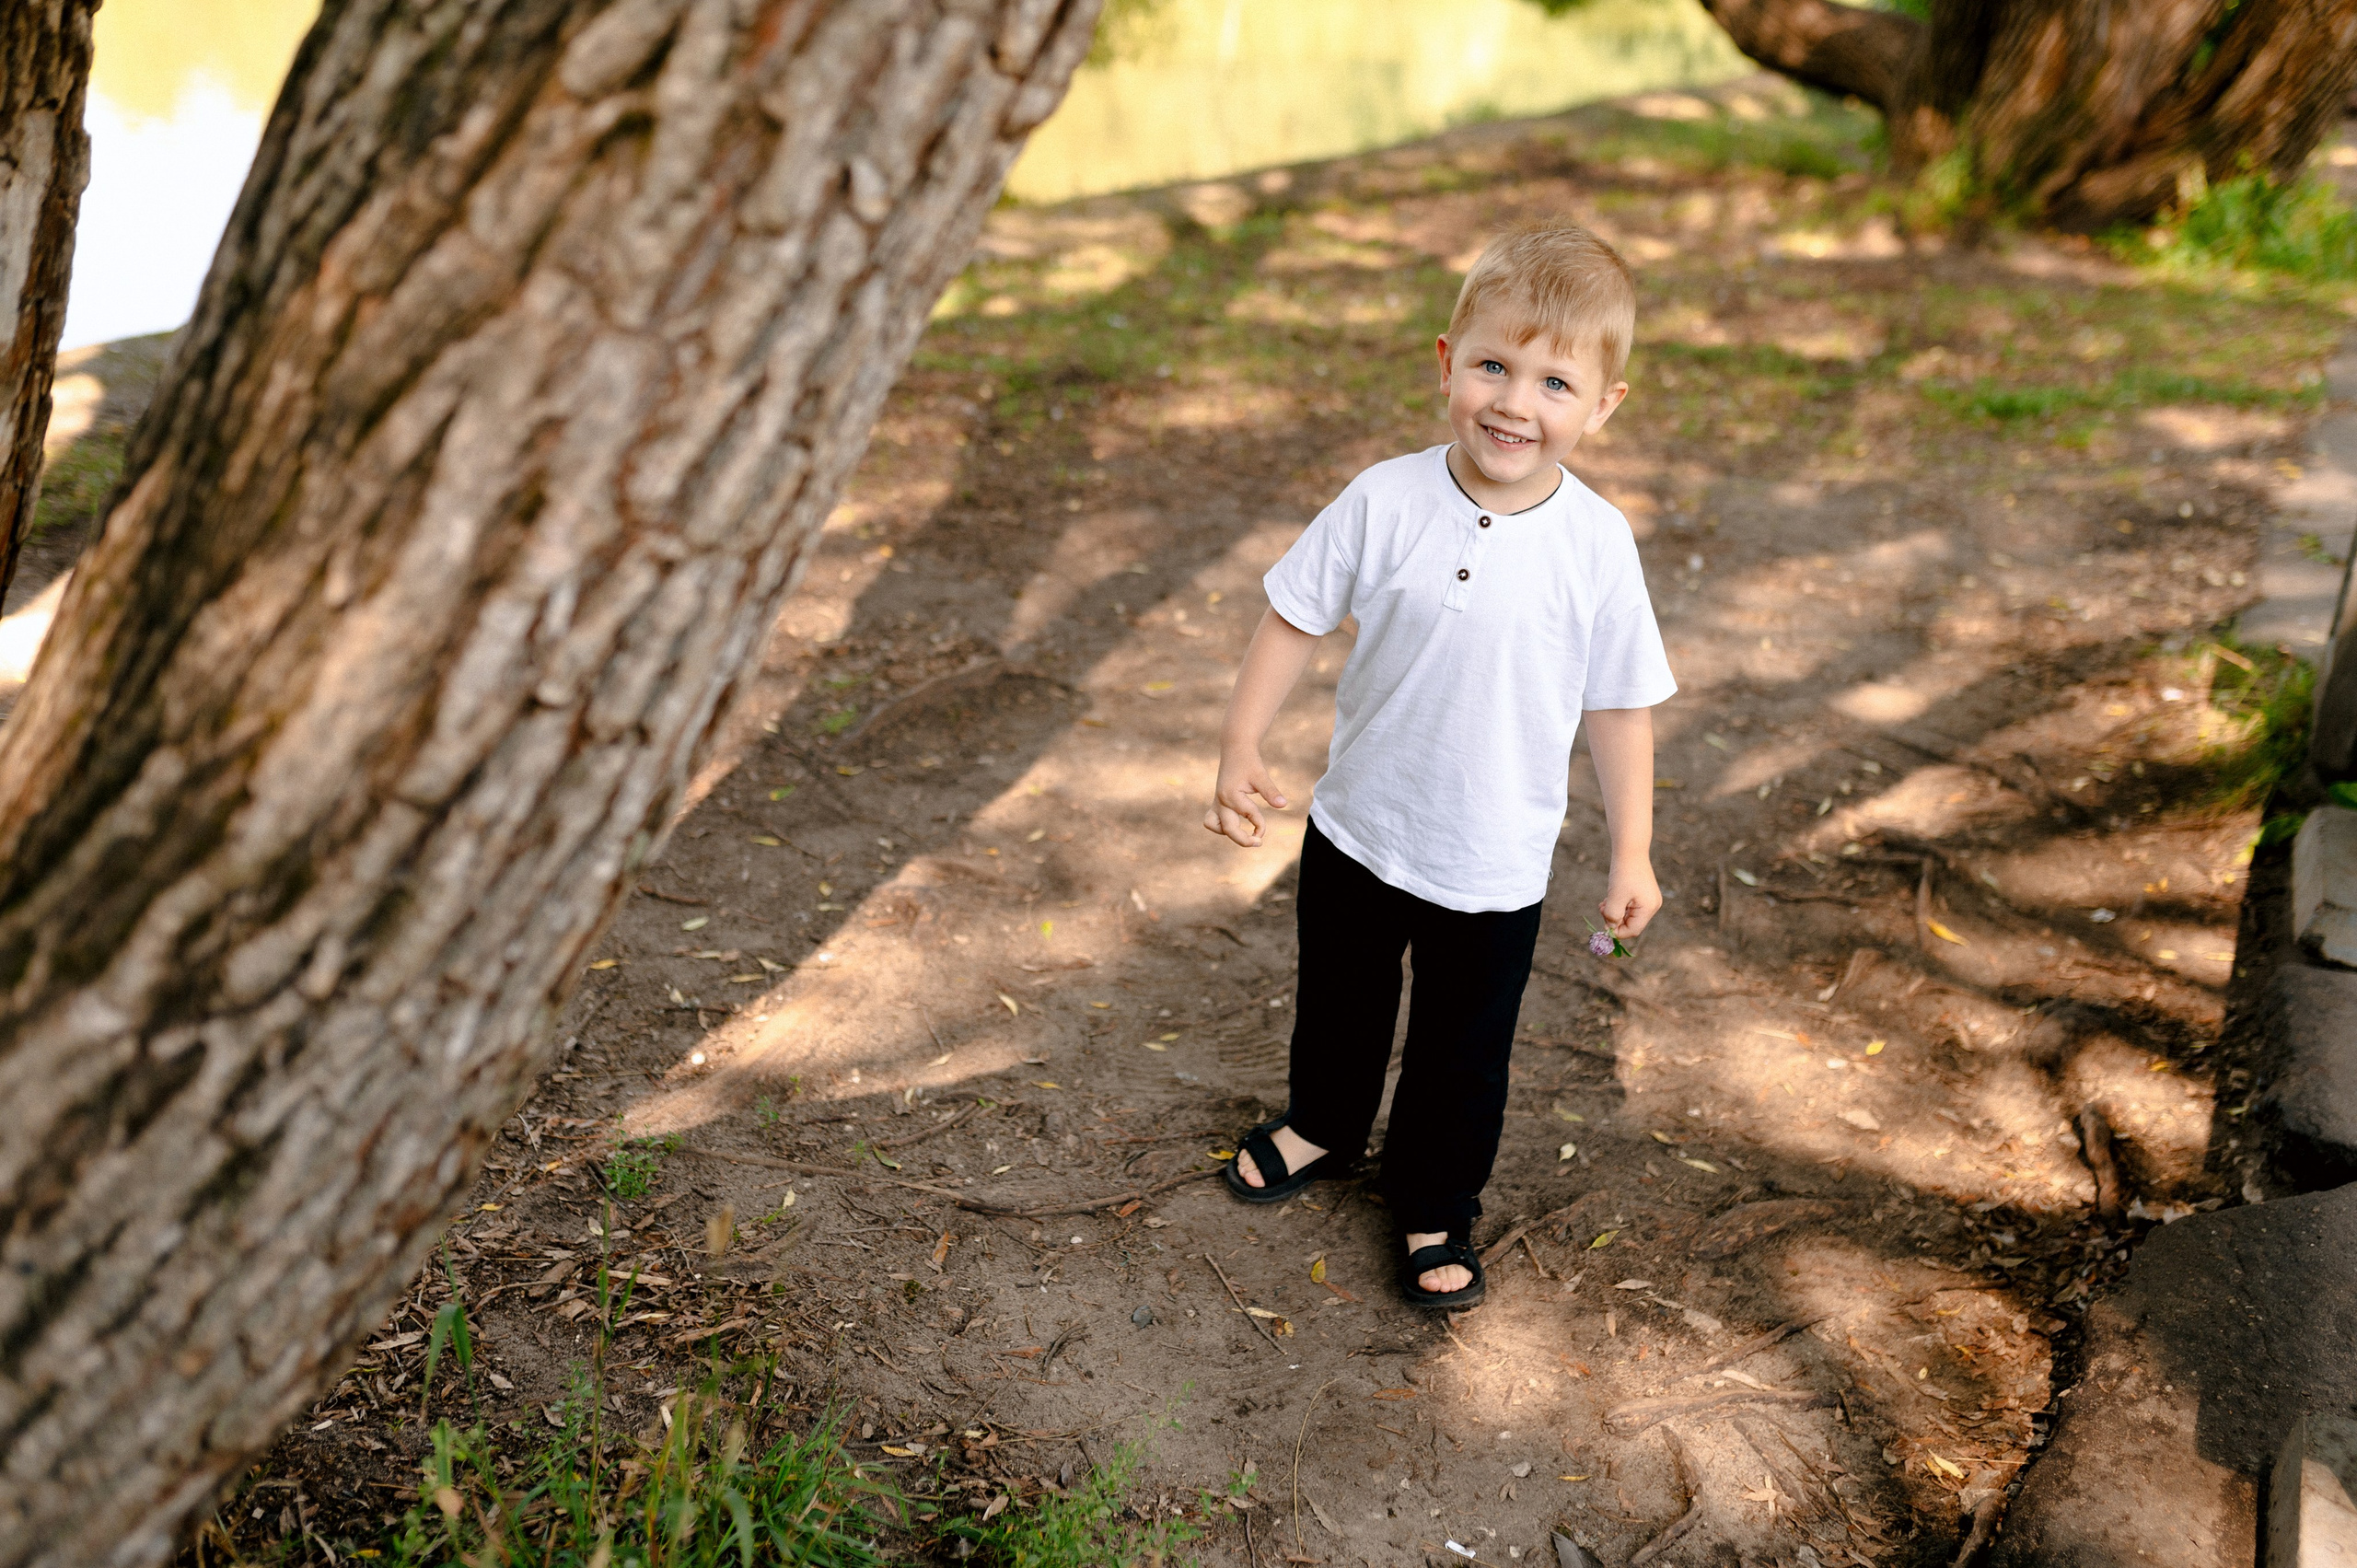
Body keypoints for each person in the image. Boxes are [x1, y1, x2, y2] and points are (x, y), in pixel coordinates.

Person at [1201, 218, 1675, 1310]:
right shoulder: (1384, 498)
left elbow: (1618, 705)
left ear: (1603, 405)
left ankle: (1433, 1199)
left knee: (1463, 1048)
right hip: (1360, 826)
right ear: (1447, 361)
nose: (1515, 403)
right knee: (1340, 1001)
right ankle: (1324, 1124)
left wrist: (1633, 850)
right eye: (1493, 366)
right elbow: (1293, 615)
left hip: (1492, 861)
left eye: (1555, 382)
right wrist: (1239, 743)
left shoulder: (1596, 544)